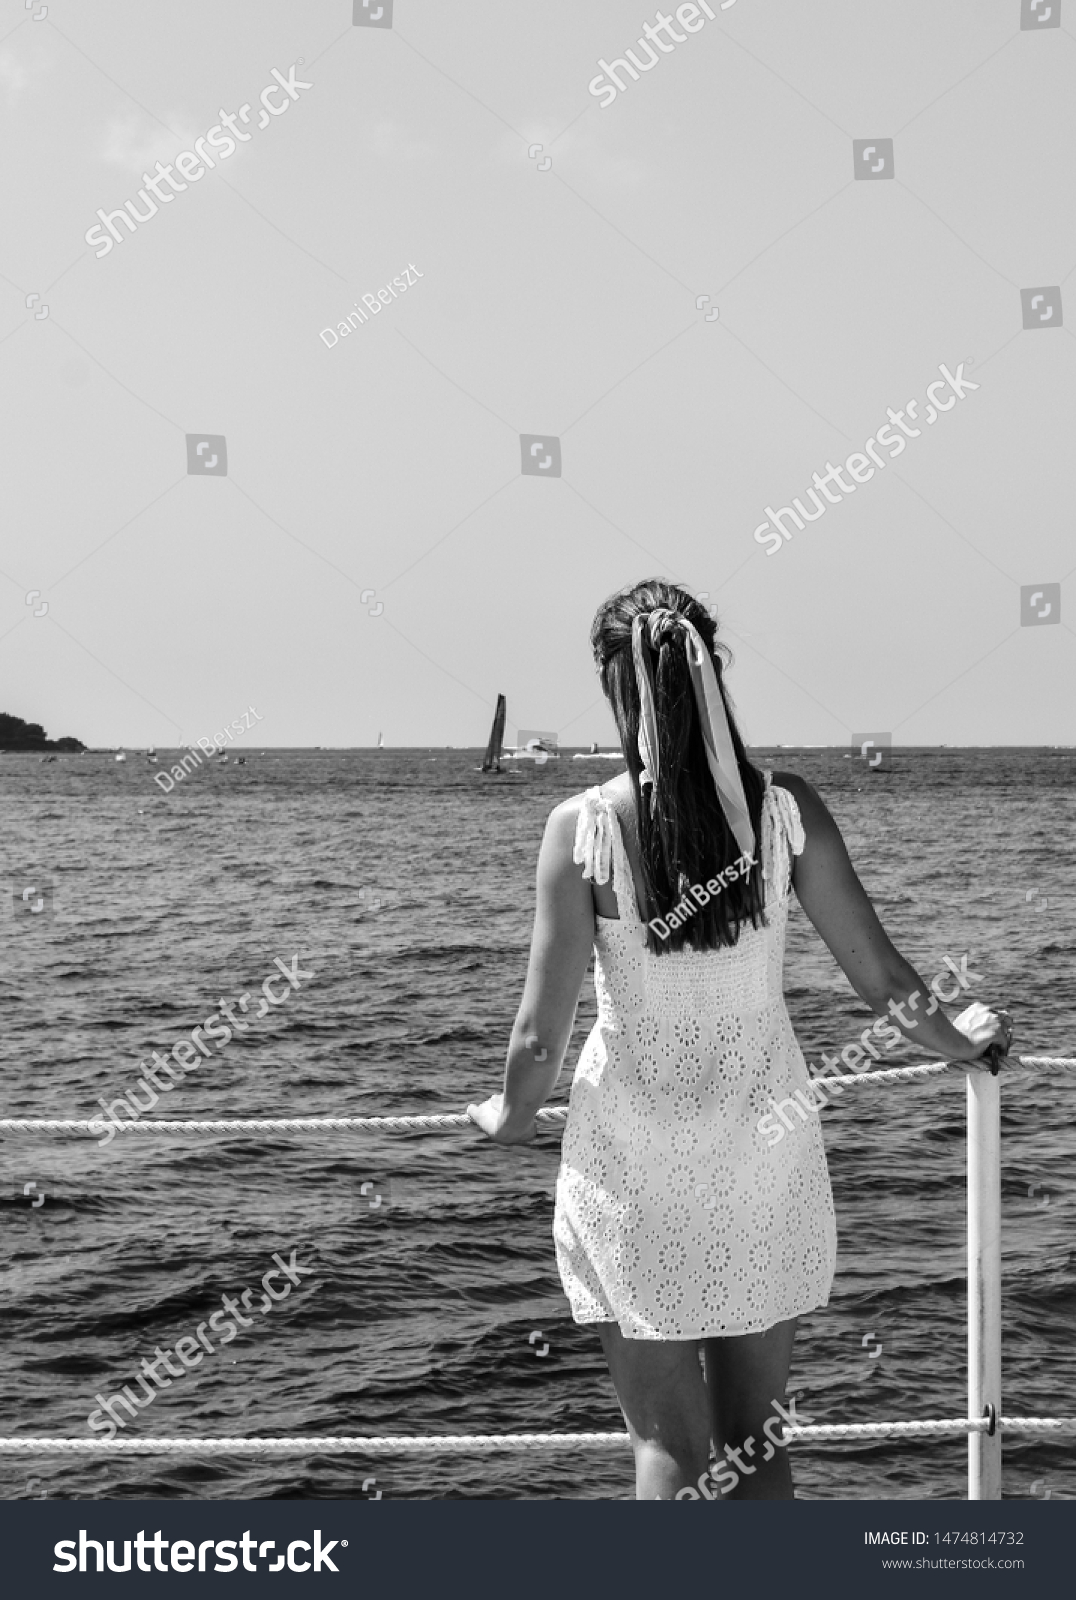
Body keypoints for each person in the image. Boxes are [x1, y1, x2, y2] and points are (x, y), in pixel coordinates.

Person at [467, 579, 1012, 1501]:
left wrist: (510, 1114)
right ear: (712, 670)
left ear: (614, 683)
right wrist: (962, 1047)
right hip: (765, 1151)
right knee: (755, 1436)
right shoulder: (784, 809)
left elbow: (538, 1035)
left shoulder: (584, 829)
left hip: (633, 1160)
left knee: (666, 1442)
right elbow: (884, 982)